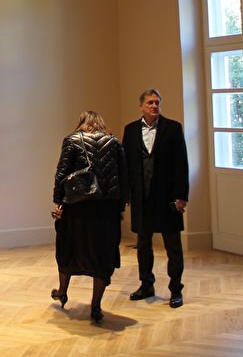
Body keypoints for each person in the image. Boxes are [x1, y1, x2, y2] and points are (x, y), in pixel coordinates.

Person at [51, 110, 128, 322]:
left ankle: (62, 291)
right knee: (103, 255)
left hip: (77, 207)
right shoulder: (114, 143)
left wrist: (58, 202)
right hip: (106, 208)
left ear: (82, 122)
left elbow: (61, 174)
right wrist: (121, 206)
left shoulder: (72, 140)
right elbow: (123, 176)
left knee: (68, 249)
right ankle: (96, 306)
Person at [122, 88, 189, 309]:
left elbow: (181, 164)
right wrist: (126, 194)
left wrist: (181, 196)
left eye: (157, 102)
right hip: (142, 197)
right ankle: (146, 285)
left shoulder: (173, 128)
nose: (154, 106)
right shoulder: (130, 130)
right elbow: (126, 165)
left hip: (167, 197)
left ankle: (176, 289)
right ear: (141, 106)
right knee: (143, 244)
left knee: (173, 246)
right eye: (150, 102)